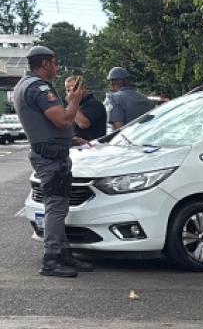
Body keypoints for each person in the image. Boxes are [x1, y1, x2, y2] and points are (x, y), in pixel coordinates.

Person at [13, 46, 93, 277]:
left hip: (50, 152)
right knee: (56, 207)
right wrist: (74, 100)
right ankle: (51, 259)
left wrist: (69, 139)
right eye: (55, 63)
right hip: (50, 158)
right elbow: (62, 119)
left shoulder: (24, 85)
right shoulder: (38, 88)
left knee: (59, 205)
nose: (57, 68)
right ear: (46, 64)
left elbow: (49, 125)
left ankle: (63, 252)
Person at [104, 66, 154, 131]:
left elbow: (118, 128)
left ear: (112, 83)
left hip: (127, 139)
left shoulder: (114, 98)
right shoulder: (144, 98)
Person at [65, 75, 107, 144]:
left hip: (94, 150)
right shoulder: (74, 106)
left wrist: (71, 103)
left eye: (74, 89)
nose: (71, 93)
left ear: (83, 88)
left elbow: (83, 124)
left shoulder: (95, 104)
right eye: (68, 90)